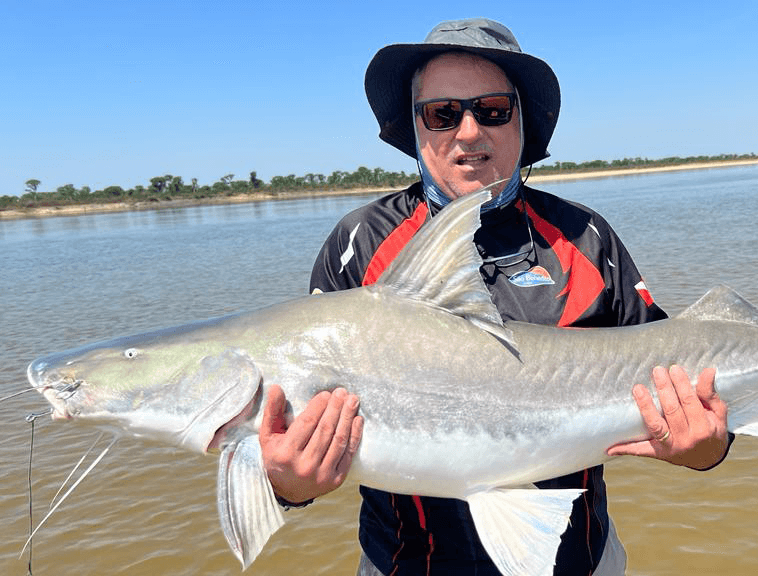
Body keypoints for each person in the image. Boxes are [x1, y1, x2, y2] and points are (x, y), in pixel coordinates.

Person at [258, 18, 731, 576]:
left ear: (522, 122)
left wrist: (704, 449)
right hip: (403, 565)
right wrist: (287, 485)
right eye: (442, 113)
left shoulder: (584, 237)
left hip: (579, 561)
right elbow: (287, 436)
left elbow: (688, 393)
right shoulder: (358, 245)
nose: (468, 133)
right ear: (415, 127)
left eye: (492, 110)